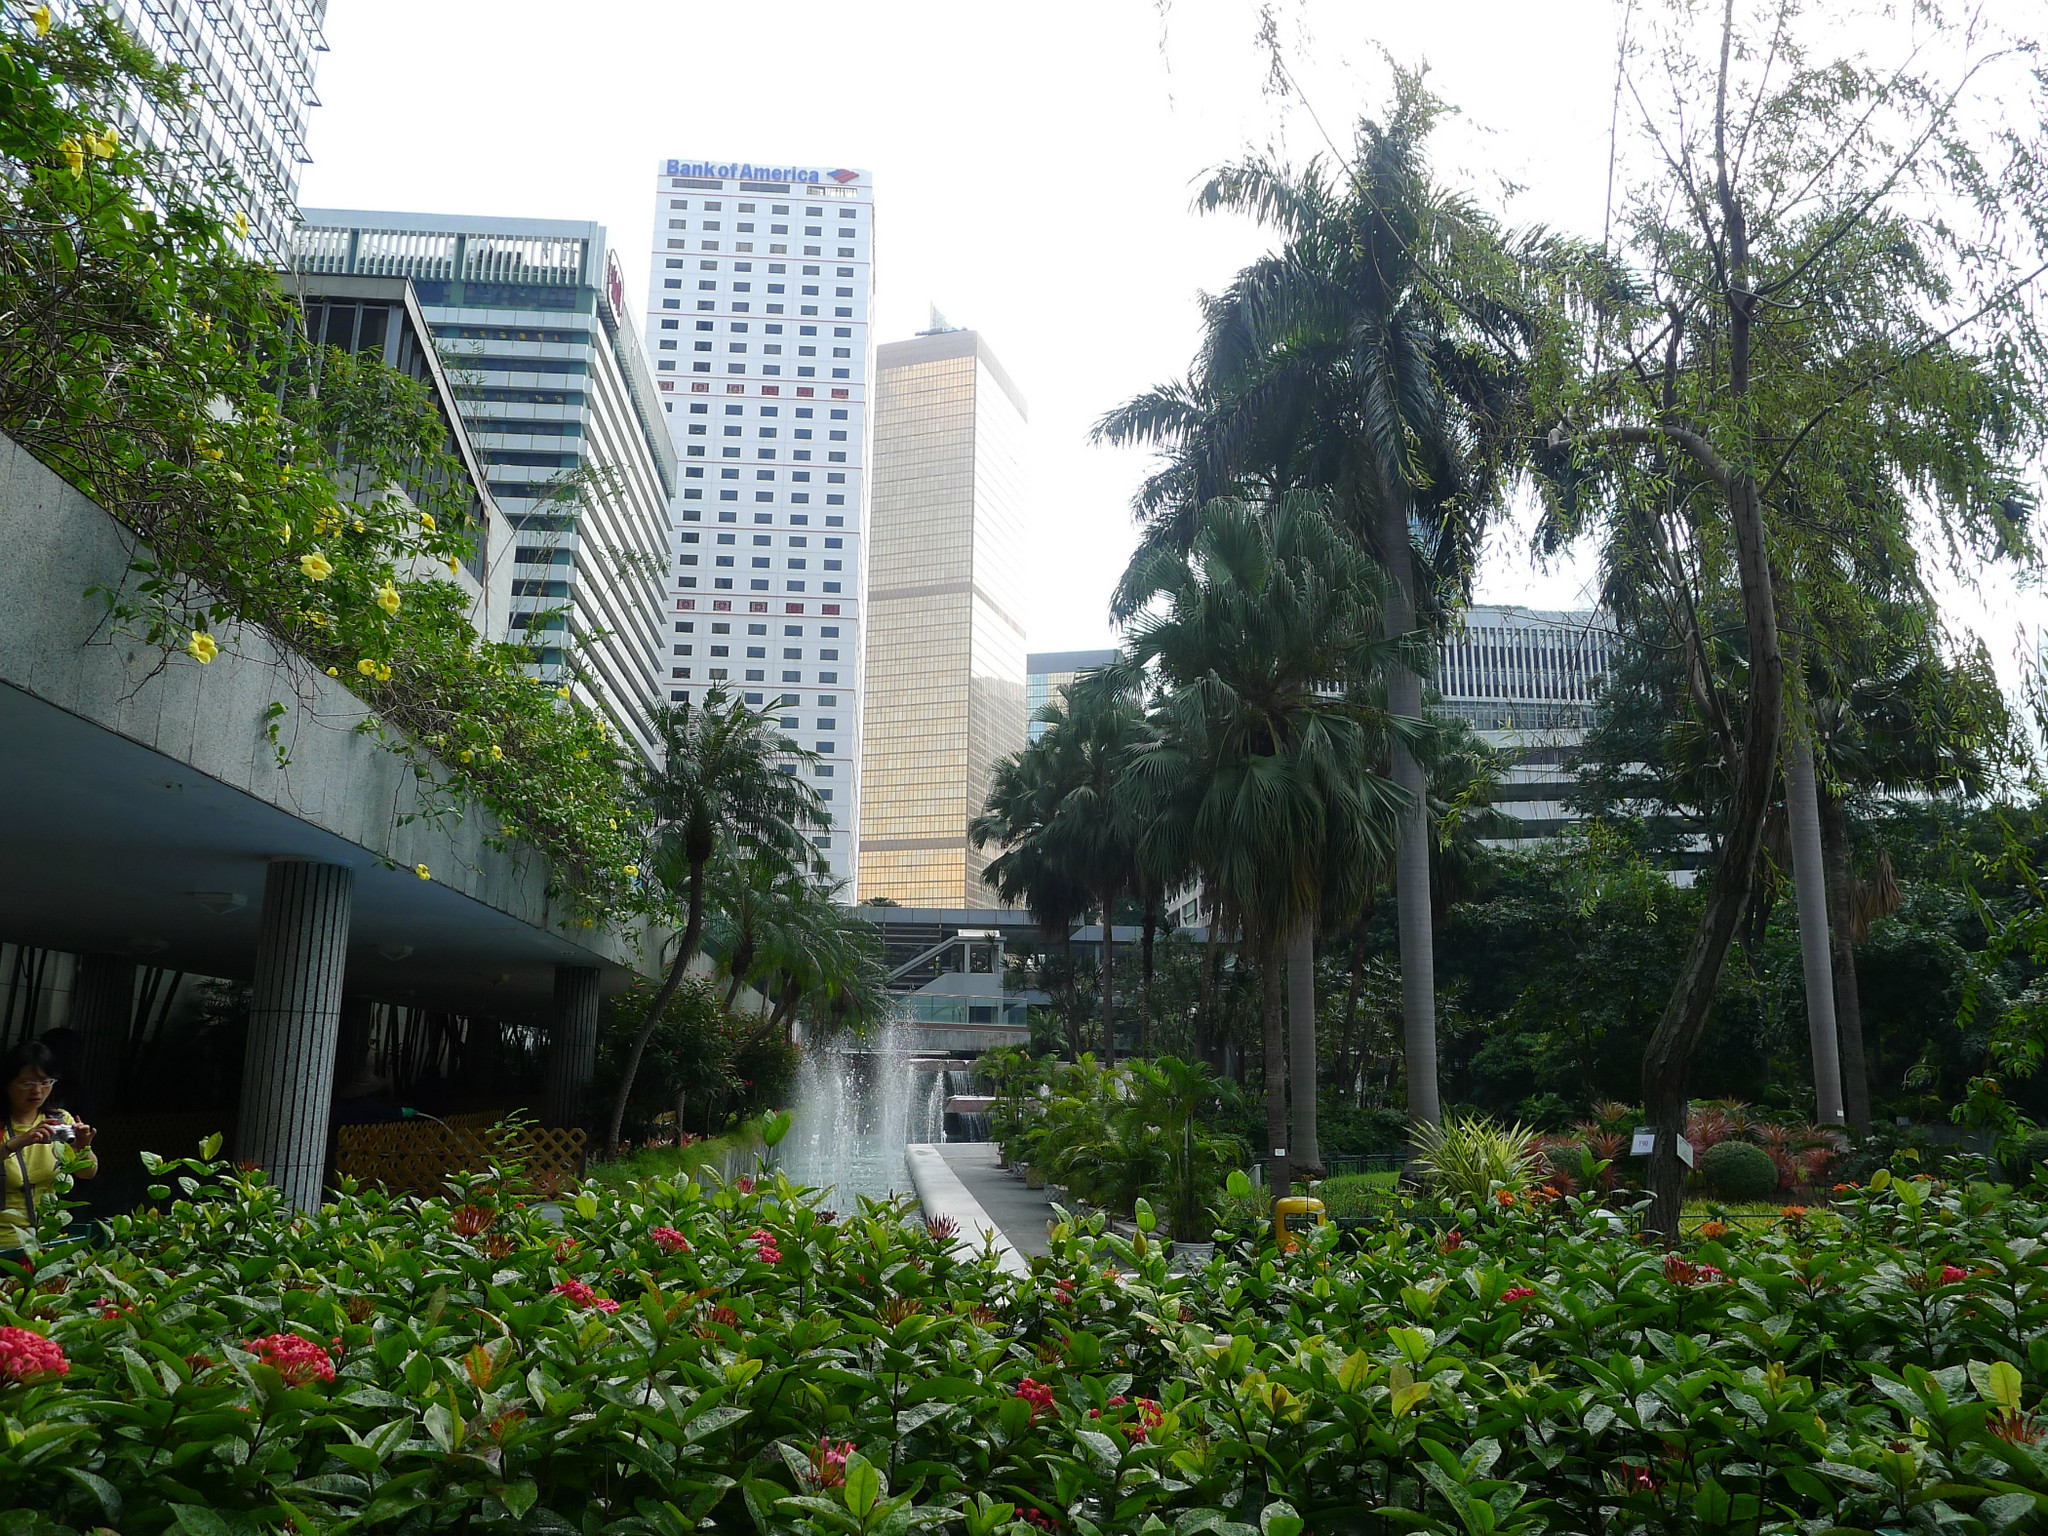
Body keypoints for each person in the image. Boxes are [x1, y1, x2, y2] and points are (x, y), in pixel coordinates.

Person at [1, 1039, 97, 1253]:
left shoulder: (60, 1120)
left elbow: (87, 1173)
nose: (37, 1091)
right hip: (4, 1245)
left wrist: (82, 1148)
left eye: (46, 1082)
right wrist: (16, 1143)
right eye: (27, 1083)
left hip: (46, 1242)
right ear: (7, 1083)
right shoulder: (3, 1127)